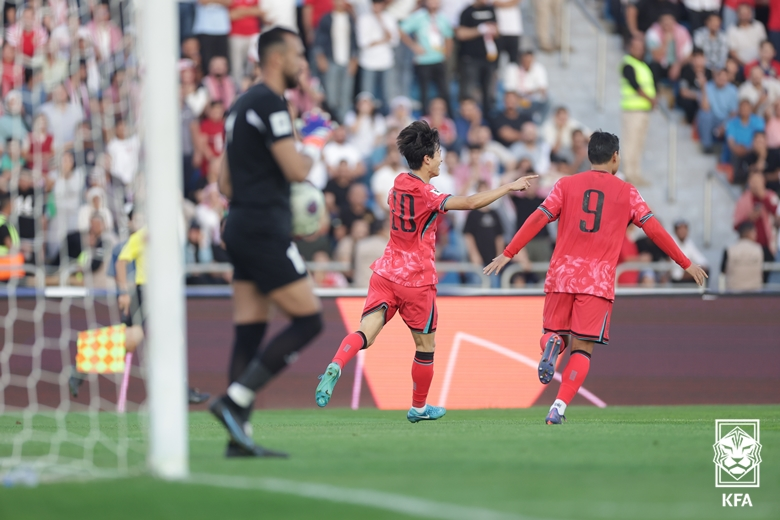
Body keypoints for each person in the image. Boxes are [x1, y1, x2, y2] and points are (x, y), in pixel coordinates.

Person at [314, 120, 536, 421]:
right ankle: (419, 407)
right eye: (439, 152)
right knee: (425, 346)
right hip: (416, 280)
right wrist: (509, 186)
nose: (442, 157)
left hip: (385, 271)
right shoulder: (428, 195)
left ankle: (338, 363)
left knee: (367, 330)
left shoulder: (398, 184)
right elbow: (470, 202)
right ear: (427, 159)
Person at [483, 131, 707, 424]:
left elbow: (538, 218)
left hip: (561, 275)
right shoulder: (627, 192)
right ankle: (558, 408)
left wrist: (509, 252)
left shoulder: (565, 184)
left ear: (590, 156)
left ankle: (552, 344)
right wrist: (685, 262)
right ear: (615, 157)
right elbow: (653, 229)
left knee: (554, 334)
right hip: (596, 281)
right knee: (583, 348)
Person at [209, 28, 326, 457]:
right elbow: (296, 170)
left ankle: (237, 439)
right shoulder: (271, 102)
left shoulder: (240, 106)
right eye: (298, 55)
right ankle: (235, 401)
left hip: (238, 224)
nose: (303, 64)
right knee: (309, 321)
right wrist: (312, 145)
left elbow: (224, 181)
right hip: (262, 227)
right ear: (276, 59)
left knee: (250, 330)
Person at [69, 226, 211, 403]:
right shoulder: (144, 235)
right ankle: (181, 391)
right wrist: (123, 292)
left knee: (131, 340)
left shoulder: (167, 234)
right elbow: (121, 261)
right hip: (147, 293)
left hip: (157, 294)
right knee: (169, 341)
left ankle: (81, 366)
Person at [399, 0, 453, 116]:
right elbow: (401, 30)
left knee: (444, 91)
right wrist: (413, 45)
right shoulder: (418, 16)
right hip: (423, 60)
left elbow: (449, 36)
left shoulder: (442, 17)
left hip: (439, 59)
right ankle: (425, 119)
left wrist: (447, 55)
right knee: (424, 92)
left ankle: (448, 118)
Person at [620, 37, 656, 186]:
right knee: (631, 143)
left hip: (643, 110)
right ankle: (629, 173)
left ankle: (636, 173)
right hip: (632, 109)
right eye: (636, 46)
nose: (639, 50)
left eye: (641, 47)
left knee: (639, 143)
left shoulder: (642, 65)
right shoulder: (628, 64)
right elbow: (635, 85)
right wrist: (650, 99)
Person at [456, 0, 499, 115]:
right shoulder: (467, 11)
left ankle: (487, 118)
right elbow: (460, 33)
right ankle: (466, 119)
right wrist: (479, 30)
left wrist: (493, 31)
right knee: (468, 93)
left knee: (489, 93)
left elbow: (498, 30)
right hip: (470, 59)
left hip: (489, 58)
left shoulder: (491, 10)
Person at [697, 68, 739, 153]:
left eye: (724, 76)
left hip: (726, 119)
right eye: (719, 75)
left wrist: (724, 126)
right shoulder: (708, 86)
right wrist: (703, 88)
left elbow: (733, 113)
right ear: (715, 76)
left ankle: (727, 154)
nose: (722, 78)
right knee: (704, 115)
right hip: (713, 118)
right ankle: (707, 145)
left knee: (735, 120)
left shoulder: (733, 90)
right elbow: (705, 107)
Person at [721, 221, 764, 291]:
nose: (756, 235)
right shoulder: (759, 249)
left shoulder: (729, 249)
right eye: (754, 232)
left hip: (733, 293)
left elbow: (723, 271)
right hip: (755, 293)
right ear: (749, 233)